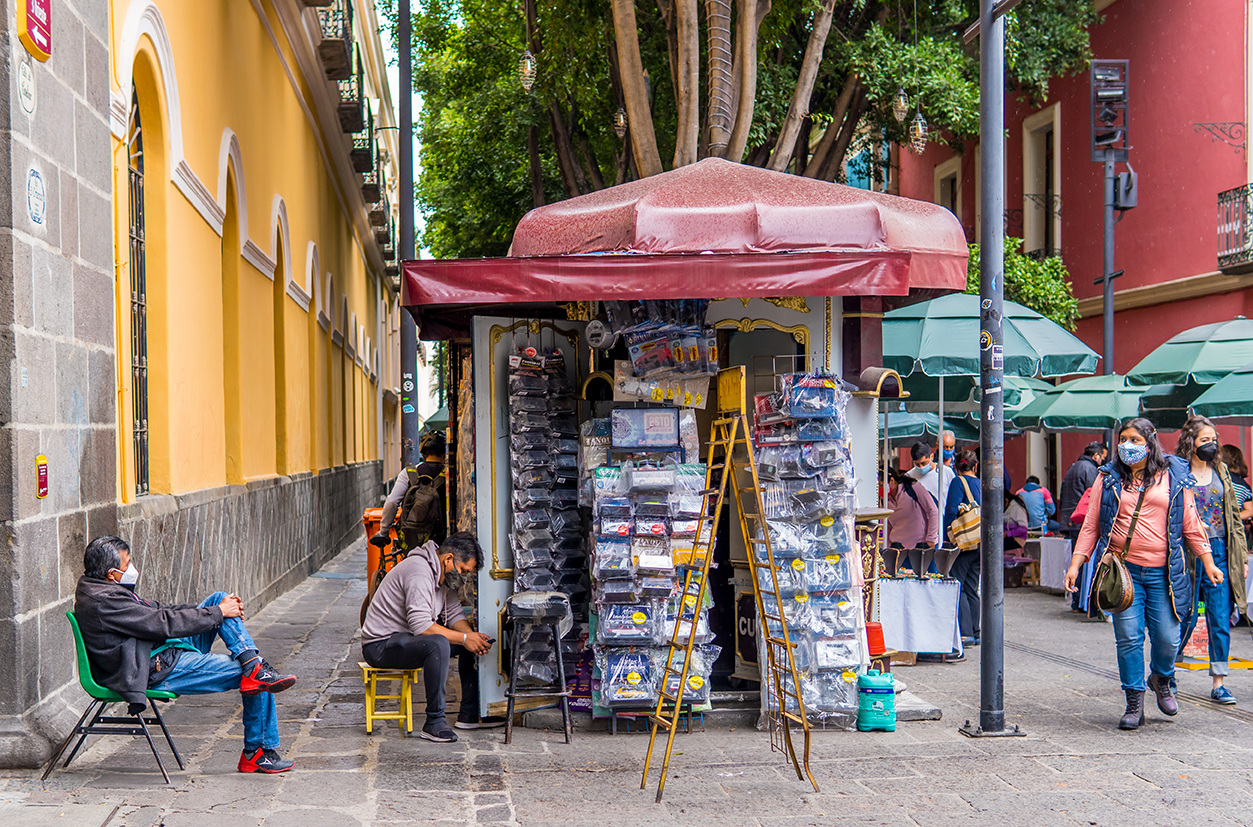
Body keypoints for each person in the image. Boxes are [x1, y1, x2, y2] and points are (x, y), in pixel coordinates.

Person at [74, 536, 298, 773]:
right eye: (127, 564)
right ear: (111, 573)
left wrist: (217, 609)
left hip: (158, 652)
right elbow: (161, 623)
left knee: (218, 599)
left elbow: (158, 611)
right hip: (154, 667)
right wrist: (218, 613)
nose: (132, 568)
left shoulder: (101, 588)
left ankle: (251, 664)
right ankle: (258, 751)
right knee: (260, 678)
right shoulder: (106, 601)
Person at [1063, 418, 1223, 730]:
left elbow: (1191, 522)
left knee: (1167, 637)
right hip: (1123, 573)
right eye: (1123, 439)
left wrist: (1208, 561)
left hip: (1165, 573)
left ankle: (1161, 677)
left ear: (1150, 444)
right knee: (1128, 638)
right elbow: (1092, 523)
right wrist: (1076, 564)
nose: (1128, 446)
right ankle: (1134, 701)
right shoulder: (1108, 477)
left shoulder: (1174, 474)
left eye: (1135, 440)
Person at [360, 531, 504, 741]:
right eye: (464, 571)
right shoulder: (418, 571)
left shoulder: (443, 577)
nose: (464, 577)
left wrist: (471, 637)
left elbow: (455, 614)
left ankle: (470, 714)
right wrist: (464, 638)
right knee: (438, 644)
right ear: (448, 559)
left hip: (406, 639)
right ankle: (434, 722)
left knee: (470, 643)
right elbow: (421, 626)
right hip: (380, 646)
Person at [1173, 417, 1250, 704]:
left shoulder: (1222, 471)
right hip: (1187, 553)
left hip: (1220, 550)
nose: (1211, 444)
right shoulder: (1177, 472)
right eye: (1204, 439)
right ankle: (1166, 673)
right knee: (1184, 616)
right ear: (1190, 441)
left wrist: (1239, 557)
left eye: (1213, 439)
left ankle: (1219, 682)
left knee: (1220, 617)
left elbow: (1234, 519)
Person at [373, 431, 448, 552]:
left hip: (413, 541)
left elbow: (392, 502)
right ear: (445, 454)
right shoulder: (449, 474)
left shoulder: (408, 473)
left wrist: (384, 531)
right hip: (442, 540)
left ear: (423, 454)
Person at [1060, 442, 1107, 611]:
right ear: (1096, 456)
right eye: (1103, 457)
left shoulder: (1072, 467)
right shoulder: (1091, 469)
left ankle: (1076, 600)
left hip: (1071, 519)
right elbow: (1095, 495)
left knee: (1077, 560)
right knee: (1087, 561)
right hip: (1084, 519)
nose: (1103, 461)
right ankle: (1086, 602)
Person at [943, 449, 982, 646]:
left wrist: (947, 538)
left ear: (957, 467)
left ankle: (965, 633)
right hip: (980, 543)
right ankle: (976, 630)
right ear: (975, 467)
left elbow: (951, 510)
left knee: (958, 584)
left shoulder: (958, 482)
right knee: (972, 587)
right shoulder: (982, 484)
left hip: (964, 543)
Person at [887, 469, 939, 551]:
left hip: (921, 546)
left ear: (892, 481)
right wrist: (888, 547)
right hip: (898, 549)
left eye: (881, 485)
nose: (879, 488)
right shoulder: (883, 500)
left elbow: (933, 511)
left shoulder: (912, 487)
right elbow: (888, 526)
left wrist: (931, 538)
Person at [907, 440, 952, 509]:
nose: (921, 467)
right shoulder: (909, 476)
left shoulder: (946, 472)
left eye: (924, 463)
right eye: (917, 464)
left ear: (932, 457)